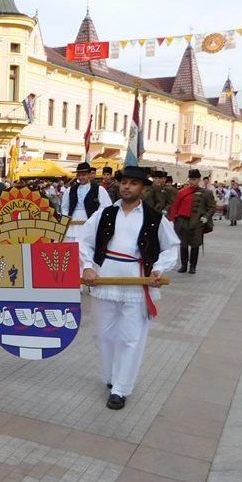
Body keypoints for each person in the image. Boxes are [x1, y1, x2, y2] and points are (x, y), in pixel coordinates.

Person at [79, 166, 179, 410]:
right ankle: (112, 377)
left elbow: (171, 247)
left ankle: (121, 388)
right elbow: (84, 241)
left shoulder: (155, 217)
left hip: (137, 281)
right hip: (105, 279)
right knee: (102, 334)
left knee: (131, 338)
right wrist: (87, 267)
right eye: (124, 182)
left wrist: (158, 269)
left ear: (143, 189)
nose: (126, 187)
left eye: (133, 183)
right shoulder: (104, 214)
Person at [168, 169, 216, 274]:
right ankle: (184, 265)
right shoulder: (182, 192)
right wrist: (174, 219)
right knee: (183, 245)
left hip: (197, 222)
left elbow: (212, 207)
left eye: (194, 179)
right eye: (190, 179)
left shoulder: (206, 193)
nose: (191, 181)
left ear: (198, 180)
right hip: (182, 221)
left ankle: (193, 266)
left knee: (195, 245)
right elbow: (175, 206)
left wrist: (206, 217)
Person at [63, 162, 111, 243]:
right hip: (72, 225)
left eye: (83, 175)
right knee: (70, 249)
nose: (81, 177)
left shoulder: (99, 189)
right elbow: (65, 207)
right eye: (79, 175)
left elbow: (106, 206)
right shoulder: (69, 190)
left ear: (89, 174)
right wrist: (66, 218)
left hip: (91, 223)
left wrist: (94, 217)